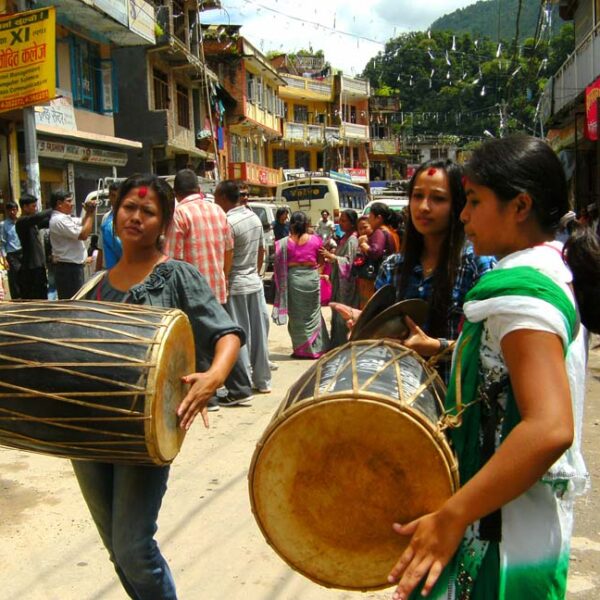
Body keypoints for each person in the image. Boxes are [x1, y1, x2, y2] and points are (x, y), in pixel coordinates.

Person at [388, 135, 592, 600]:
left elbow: (549, 427)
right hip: (520, 521)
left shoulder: (520, 295)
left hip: (504, 535)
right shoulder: (548, 270)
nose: (463, 215)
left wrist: (453, 515)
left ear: (520, 205)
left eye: (474, 202)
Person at [72, 174, 244, 600]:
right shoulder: (98, 284)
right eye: (128, 207)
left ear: (164, 224)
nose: (135, 216)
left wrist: (215, 376)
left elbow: (227, 333)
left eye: (148, 211)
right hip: (90, 433)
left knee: (133, 547)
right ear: (113, 216)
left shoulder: (176, 276)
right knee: (117, 549)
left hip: (143, 431)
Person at [334, 160, 495, 384]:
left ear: (458, 205)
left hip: (458, 401)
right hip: (400, 400)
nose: (424, 207)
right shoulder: (393, 267)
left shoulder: (478, 264)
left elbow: (491, 347)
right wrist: (366, 328)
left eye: (438, 198)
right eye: (418, 196)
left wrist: (436, 346)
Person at [165, 168, 253, 408]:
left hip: (192, 288)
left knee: (198, 341)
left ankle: (209, 397)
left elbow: (173, 259)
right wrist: (222, 276)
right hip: (217, 283)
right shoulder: (217, 210)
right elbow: (228, 250)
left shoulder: (179, 214)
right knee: (223, 336)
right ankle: (241, 388)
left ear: (176, 192)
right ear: (198, 189)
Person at [215, 180, 271, 394]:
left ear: (222, 197)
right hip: (253, 282)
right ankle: (263, 380)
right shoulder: (254, 217)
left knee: (238, 334)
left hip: (236, 284)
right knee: (258, 334)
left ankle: (243, 381)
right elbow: (260, 252)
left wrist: (226, 281)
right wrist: (256, 274)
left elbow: (226, 257)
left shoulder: (228, 222)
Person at [273, 210, 330, 358]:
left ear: (291, 225)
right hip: (311, 278)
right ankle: (316, 349)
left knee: (297, 316)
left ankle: (300, 350)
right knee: (313, 314)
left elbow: (278, 263)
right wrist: (318, 273)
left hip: (294, 280)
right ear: (306, 224)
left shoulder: (284, 243)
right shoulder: (316, 240)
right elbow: (322, 260)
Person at [320, 208, 360, 348]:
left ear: (352, 223)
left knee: (344, 315)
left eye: (344, 220)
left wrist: (334, 257)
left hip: (347, 287)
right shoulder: (344, 239)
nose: (340, 223)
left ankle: (344, 345)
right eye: (340, 220)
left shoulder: (352, 240)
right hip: (338, 282)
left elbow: (349, 262)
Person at [49, 190, 96, 299]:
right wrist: (91, 214)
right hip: (68, 269)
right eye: (69, 201)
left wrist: (88, 212)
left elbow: (83, 223)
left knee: (76, 300)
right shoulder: (58, 220)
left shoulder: (66, 218)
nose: (72, 204)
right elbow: (83, 234)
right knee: (73, 302)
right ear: (59, 204)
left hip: (72, 268)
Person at [15, 194, 52, 300]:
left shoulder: (33, 223)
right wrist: (54, 207)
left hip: (38, 266)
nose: (35, 209)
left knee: (42, 295)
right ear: (25, 207)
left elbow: (46, 222)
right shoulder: (22, 222)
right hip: (30, 268)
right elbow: (37, 217)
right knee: (34, 296)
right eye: (33, 206)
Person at [97, 182, 122, 270]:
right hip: (108, 269)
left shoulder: (130, 218)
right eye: (111, 195)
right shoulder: (106, 217)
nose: (113, 199)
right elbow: (101, 247)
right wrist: (97, 271)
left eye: (116, 196)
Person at [0, 201, 22, 299]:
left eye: (14, 209)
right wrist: (4, 259)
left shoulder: (21, 221)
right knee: (14, 277)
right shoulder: (3, 224)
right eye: (10, 210)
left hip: (22, 252)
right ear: (7, 211)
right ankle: (16, 298)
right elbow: (2, 243)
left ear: (17, 210)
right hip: (11, 254)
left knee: (23, 274)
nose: (12, 212)